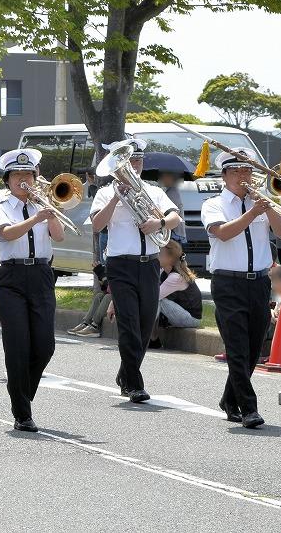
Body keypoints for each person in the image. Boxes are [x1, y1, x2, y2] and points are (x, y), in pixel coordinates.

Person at [201, 147, 281, 428]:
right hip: (228, 282)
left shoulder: (261, 202)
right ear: (225, 175)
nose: (244, 175)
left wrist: (267, 207)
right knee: (237, 347)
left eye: (248, 170)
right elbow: (223, 233)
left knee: (252, 348)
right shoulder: (213, 204)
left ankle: (229, 398)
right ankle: (249, 408)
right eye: (237, 171)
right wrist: (253, 214)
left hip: (259, 282)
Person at [90, 138, 181, 404]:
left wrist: (159, 222)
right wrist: (116, 199)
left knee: (144, 322)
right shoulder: (106, 192)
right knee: (129, 323)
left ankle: (125, 373)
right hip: (120, 264)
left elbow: (175, 217)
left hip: (150, 263)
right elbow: (97, 225)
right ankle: (133, 383)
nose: (134, 166)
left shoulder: (152, 191)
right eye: (129, 162)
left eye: (138, 161)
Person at [0, 148, 64, 432]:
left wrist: (50, 212)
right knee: (18, 344)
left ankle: (22, 396)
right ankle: (22, 411)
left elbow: (58, 235)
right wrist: (35, 218)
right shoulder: (0, 204)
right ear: (7, 179)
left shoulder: (43, 203)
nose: (24, 180)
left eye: (29, 174)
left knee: (45, 346)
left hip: (42, 273)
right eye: (17, 175)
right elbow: (6, 233)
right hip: (11, 276)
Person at [147, 240, 202, 348]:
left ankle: (152, 339)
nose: (156, 256)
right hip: (179, 313)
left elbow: (154, 296)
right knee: (154, 298)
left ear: (170, 259)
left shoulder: (175, 277)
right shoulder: (163, 272)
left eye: (160, 254)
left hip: (191, 319)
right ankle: (150, 337)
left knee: (158, 300)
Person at [155, 171, 186, 243]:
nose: (161, 179)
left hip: (175, 232)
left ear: (171, 178)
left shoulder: (173, 191)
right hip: (174, 231)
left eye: (164, 177)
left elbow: (168, 212)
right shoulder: (169, 190)